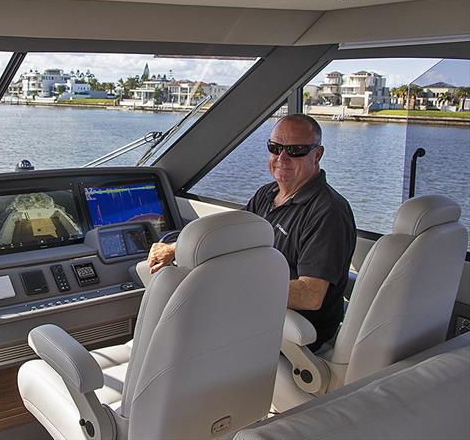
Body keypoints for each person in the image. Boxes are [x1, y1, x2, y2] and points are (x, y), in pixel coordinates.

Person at [148, 114, 356, 351]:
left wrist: (230, 285)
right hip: (254, 307)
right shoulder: (267, 194)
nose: (282, 158)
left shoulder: (329, 212)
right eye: (275, 148)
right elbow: (230, 235)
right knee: (168, 289)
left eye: (295, 150)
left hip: (291, 330)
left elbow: (310, 295)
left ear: (317, 154)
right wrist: (175, 249)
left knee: (179, 323)